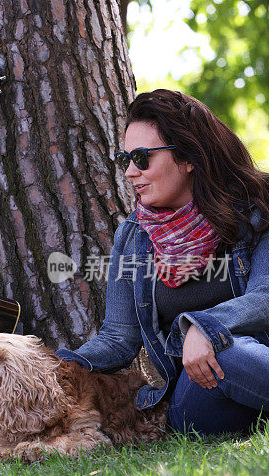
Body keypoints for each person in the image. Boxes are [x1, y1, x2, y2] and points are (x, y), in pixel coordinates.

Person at [57, 89, 269, 435]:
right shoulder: (133, 236)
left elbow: (264, 297)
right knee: (223, 353)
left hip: (257, 360)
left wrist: (203, 327)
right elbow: (118, 337)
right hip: (199, 397)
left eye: (141, 158)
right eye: (124, 158)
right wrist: (58, 365)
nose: (128, 172)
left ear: (188, 158)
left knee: (225, 346)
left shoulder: (256, 212)